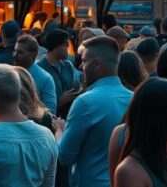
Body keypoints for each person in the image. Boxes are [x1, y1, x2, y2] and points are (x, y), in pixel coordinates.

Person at [56, 36, 133, 187]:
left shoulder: (85, 102)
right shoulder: (134, 99)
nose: (80, 67)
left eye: (84, 61)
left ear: (97, 64)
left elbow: (65, 157)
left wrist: (59, 130)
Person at [39, 29, 80, 117]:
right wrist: (59, 102)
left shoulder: (68, 65)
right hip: (51, 122)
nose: (68, 49)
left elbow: (77, 83)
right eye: (66, 45)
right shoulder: (40, 68)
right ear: (57, 46)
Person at [13, 34, 57, 113]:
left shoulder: (45, 78)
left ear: (32, 55)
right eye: (15, 51)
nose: (14, 55)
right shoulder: (10, 73)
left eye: (20, 52)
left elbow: (51, 111)